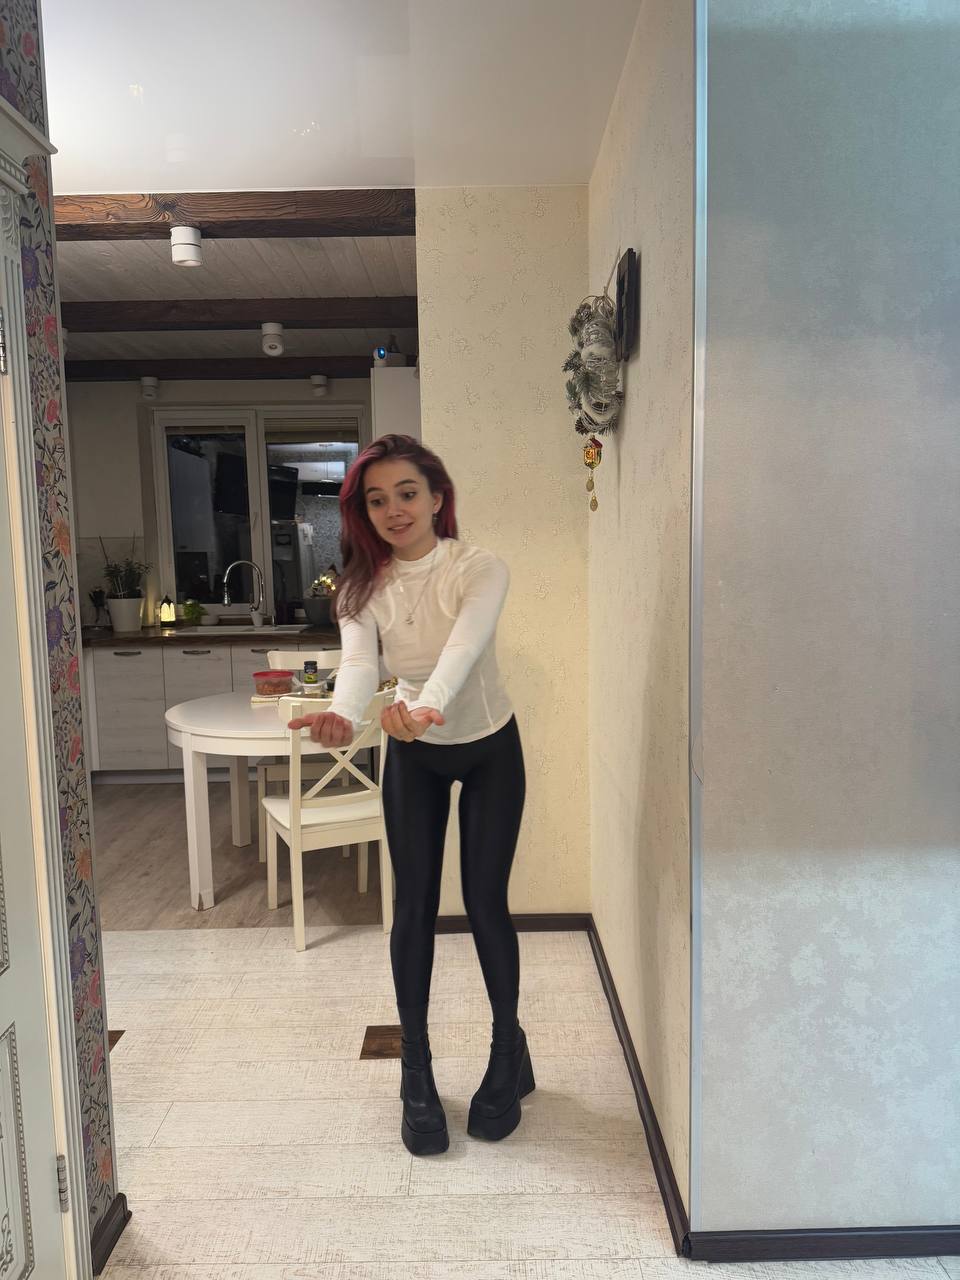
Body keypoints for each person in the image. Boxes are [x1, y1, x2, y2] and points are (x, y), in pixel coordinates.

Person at [288, 433, 533, 1156]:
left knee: (485, 903)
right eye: (377, 499)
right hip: (413, 755)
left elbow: (463, 648)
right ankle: (415, 1071)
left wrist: (426, 705)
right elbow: (361, 665)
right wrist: (345, 714)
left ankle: (508, 1054)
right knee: (413, 908)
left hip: (488, 747)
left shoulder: (478, 567)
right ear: (362, 511)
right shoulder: (360, 587)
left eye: (406, 493)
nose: (393, 509)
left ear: (435, 498)